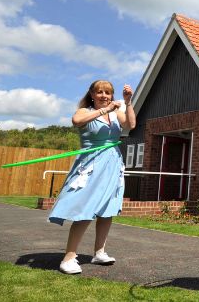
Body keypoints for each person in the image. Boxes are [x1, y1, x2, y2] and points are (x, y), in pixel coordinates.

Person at [49, 80, 136, 274]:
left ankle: (99, 252)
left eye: (108, 93)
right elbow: (77, 122)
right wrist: (105, 111)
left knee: (107, 208)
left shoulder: (116, 112)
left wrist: (128, 102)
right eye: (100, 92)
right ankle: (69, 258)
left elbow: (131, 125)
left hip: (112, 163)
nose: (104, 96)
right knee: (85, 208)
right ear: (92, 94)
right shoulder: (84, 111)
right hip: (91, 163)